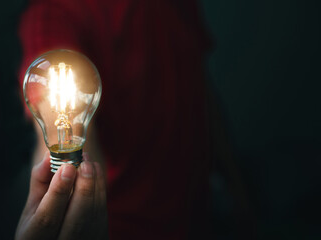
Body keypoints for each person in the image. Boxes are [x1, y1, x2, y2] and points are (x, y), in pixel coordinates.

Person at [17, 0, 213, 239]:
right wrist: (66, 205)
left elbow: (202, 88)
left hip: (200, 207)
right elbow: (48, 127)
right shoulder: (53, 17)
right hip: (126, 228)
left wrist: (238, 191)